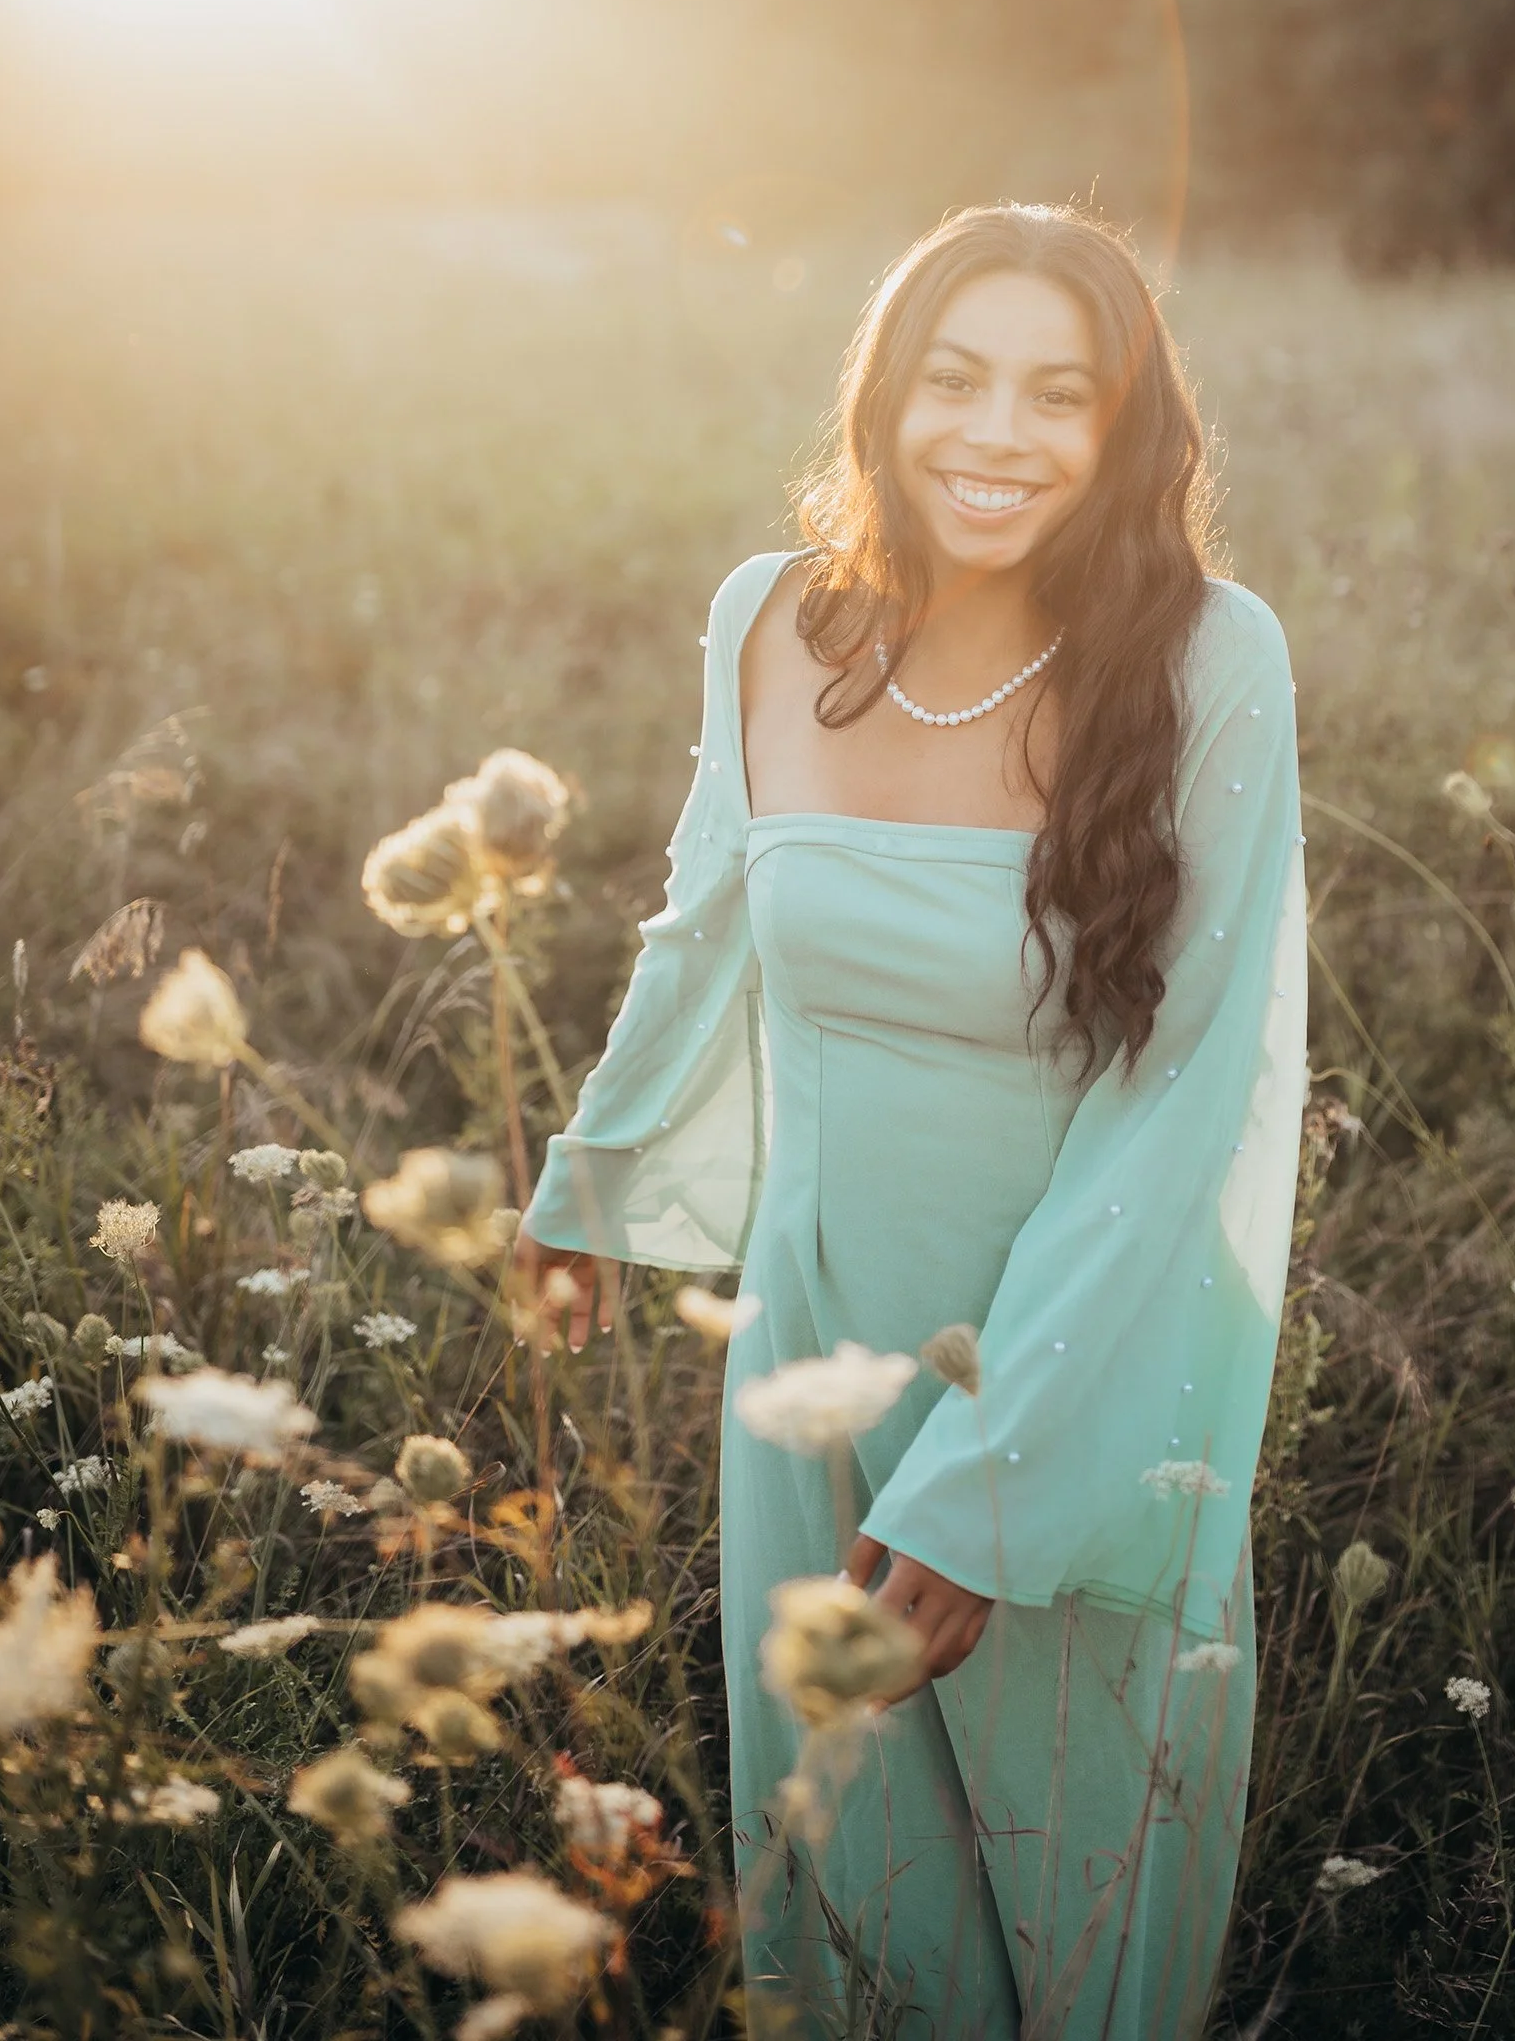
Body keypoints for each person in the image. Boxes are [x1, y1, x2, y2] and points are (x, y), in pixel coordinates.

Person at [514, 203, 1306, 2038]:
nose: (996, 435)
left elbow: (1186, 1093)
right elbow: (708, 916)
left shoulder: (1211, 659)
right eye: (954, 380)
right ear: (886, 396)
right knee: (858, 1920)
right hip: (809, 1358)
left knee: (1084, 1914)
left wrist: (996, 1466)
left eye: (1059, 394)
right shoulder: (774, 621)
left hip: (1079, 1364)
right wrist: (590, 1179)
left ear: (1125, 433)